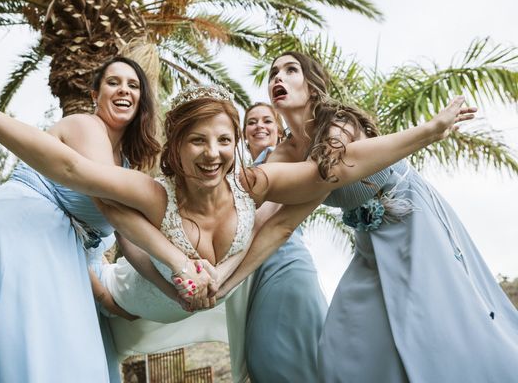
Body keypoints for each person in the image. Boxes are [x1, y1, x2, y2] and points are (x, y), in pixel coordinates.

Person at [217, 51, 518, 382]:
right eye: (273, 73)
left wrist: (430, 130)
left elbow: (325, 174)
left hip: (412, 223)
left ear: (312, 86)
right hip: (369, 242)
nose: (278, 77)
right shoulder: (284, 153)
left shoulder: (338, 124)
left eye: (290, 70)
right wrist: (222, 281)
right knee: (343, 342)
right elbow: (269, 223)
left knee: (439, 331)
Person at [0, 57, 210, 383]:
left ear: (142, 100)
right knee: (41, 359)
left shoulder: (125, 164)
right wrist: (181, 264)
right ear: (95, 94)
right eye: (113, 82)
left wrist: (175, 290)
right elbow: (111, 204)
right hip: (18, 231)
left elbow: (130, 241)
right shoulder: (85, 125)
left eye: (133, 84)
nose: (123, 89)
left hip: (51, 248)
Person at [238, 102, 327, 382]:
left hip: (285, 263)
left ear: (279, 131)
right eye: (252, 122)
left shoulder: (285, 160)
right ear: (243, 134)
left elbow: (268, 219)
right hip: (253, 274)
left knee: (271, 359)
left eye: (267, 121)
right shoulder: (240, 173)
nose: (259, 126)